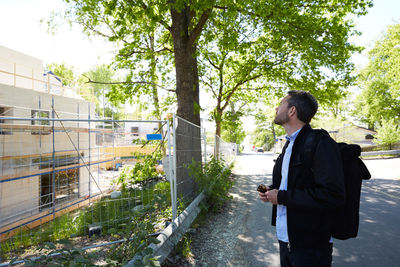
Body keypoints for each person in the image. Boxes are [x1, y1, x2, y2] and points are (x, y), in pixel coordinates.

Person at [259, 90, 345, 267]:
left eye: (281, 103)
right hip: (286, 239)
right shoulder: (289, 144)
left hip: (311, 247)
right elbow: (292, 184)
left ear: (292, 111)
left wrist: (281, 196)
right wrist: (271, 191)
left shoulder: (320, 143)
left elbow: (333, 194)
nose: (276, 107)